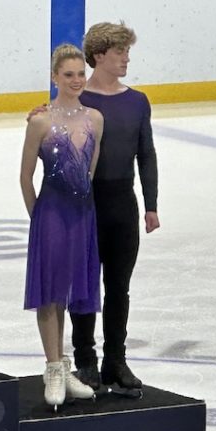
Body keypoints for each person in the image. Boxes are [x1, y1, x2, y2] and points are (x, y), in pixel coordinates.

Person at [71, 21, 159, 395]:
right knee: (85, 286)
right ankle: (85, 360)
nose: (126, 59)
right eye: (120, 52)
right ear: (99, 56)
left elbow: (146, 154)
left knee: (118, 287)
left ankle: (116, 360)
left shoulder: (137, 101)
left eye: (127, 51)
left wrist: (151, 204)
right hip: (86, 204)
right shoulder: (78, 101)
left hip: (123, 201)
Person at [22, 44, 104, 410]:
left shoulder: (96, 119)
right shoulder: (40, 121)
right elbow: (25, 177)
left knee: (71, 290)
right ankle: (53, 367)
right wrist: (37, 218)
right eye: (67, 74)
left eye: (80, 74)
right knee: (50, 292)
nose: (75, 81)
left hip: (81, 213)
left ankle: (63, 365)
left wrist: (81, 208)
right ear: (55, 77)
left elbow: (90, 171)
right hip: (51, 214)